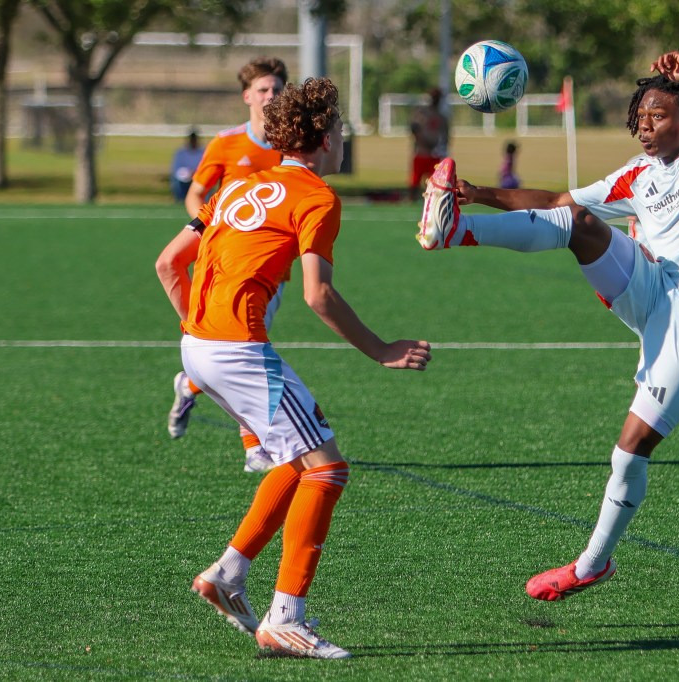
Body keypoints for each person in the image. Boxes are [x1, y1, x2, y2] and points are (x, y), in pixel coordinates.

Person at [417, 51, 679, 601]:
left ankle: (592, 563)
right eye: (639, 119)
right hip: (651, 287)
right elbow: (558, 201)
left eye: (657, 116)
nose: (645, 127)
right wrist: (479, 193)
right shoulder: (636, 176)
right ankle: (456, 231)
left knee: (629, 451)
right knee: (580, 221)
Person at [157, 77, 432, 658]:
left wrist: (200, 332)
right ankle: (286, 617)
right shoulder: (316, 198)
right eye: (340, 130)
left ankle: (227, 574)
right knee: (328, 469)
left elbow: (167, 264)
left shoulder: (238, 187)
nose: (342, 141)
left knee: (297, 456)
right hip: (236, 350)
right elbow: (318, 295)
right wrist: (381, 349)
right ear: (323, 136)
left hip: (198, 347)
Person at [162, 57, 288, 473]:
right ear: (247, 96)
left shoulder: (291, 146)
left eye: (277, 89)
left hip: (271, 266)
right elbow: (196, 194)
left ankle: (188, 383)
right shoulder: (227, 142)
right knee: (244, 349)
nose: (271, 96)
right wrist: (214, 231)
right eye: (264, 89)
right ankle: (254, 446)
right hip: (225, 263)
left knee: (237, 349)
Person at [409, 87, 450, 202]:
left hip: (435, 154)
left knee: (436, 182)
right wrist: (422, 140)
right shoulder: (422, 113)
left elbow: (446, 135)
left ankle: (432, 201)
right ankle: (412, 199)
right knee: (415, 179)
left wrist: (442, 147)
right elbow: (414, 128)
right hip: (422, 152)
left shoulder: (441, 117)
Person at [170, 129, 205, 201]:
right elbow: (177, 169)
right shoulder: (181, 152)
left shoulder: (203, 152)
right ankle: (181, 200)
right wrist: (187, 173)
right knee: (177, 182)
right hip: (184, 177)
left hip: (198, 177)